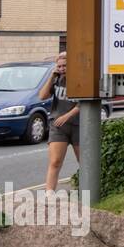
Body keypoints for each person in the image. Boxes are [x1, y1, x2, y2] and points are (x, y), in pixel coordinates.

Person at [39, 51, 79, 191]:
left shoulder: (80, 79)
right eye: (59, 66)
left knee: (85, 163)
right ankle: (49, 194)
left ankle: (89, 193)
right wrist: (51, 76)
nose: (62, 68)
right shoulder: (56, 79)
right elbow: (42, 96)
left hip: (78, 125)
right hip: (58, 126)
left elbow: (84, 103)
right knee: (55, 161)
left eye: (65, 66)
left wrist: (67, 116)